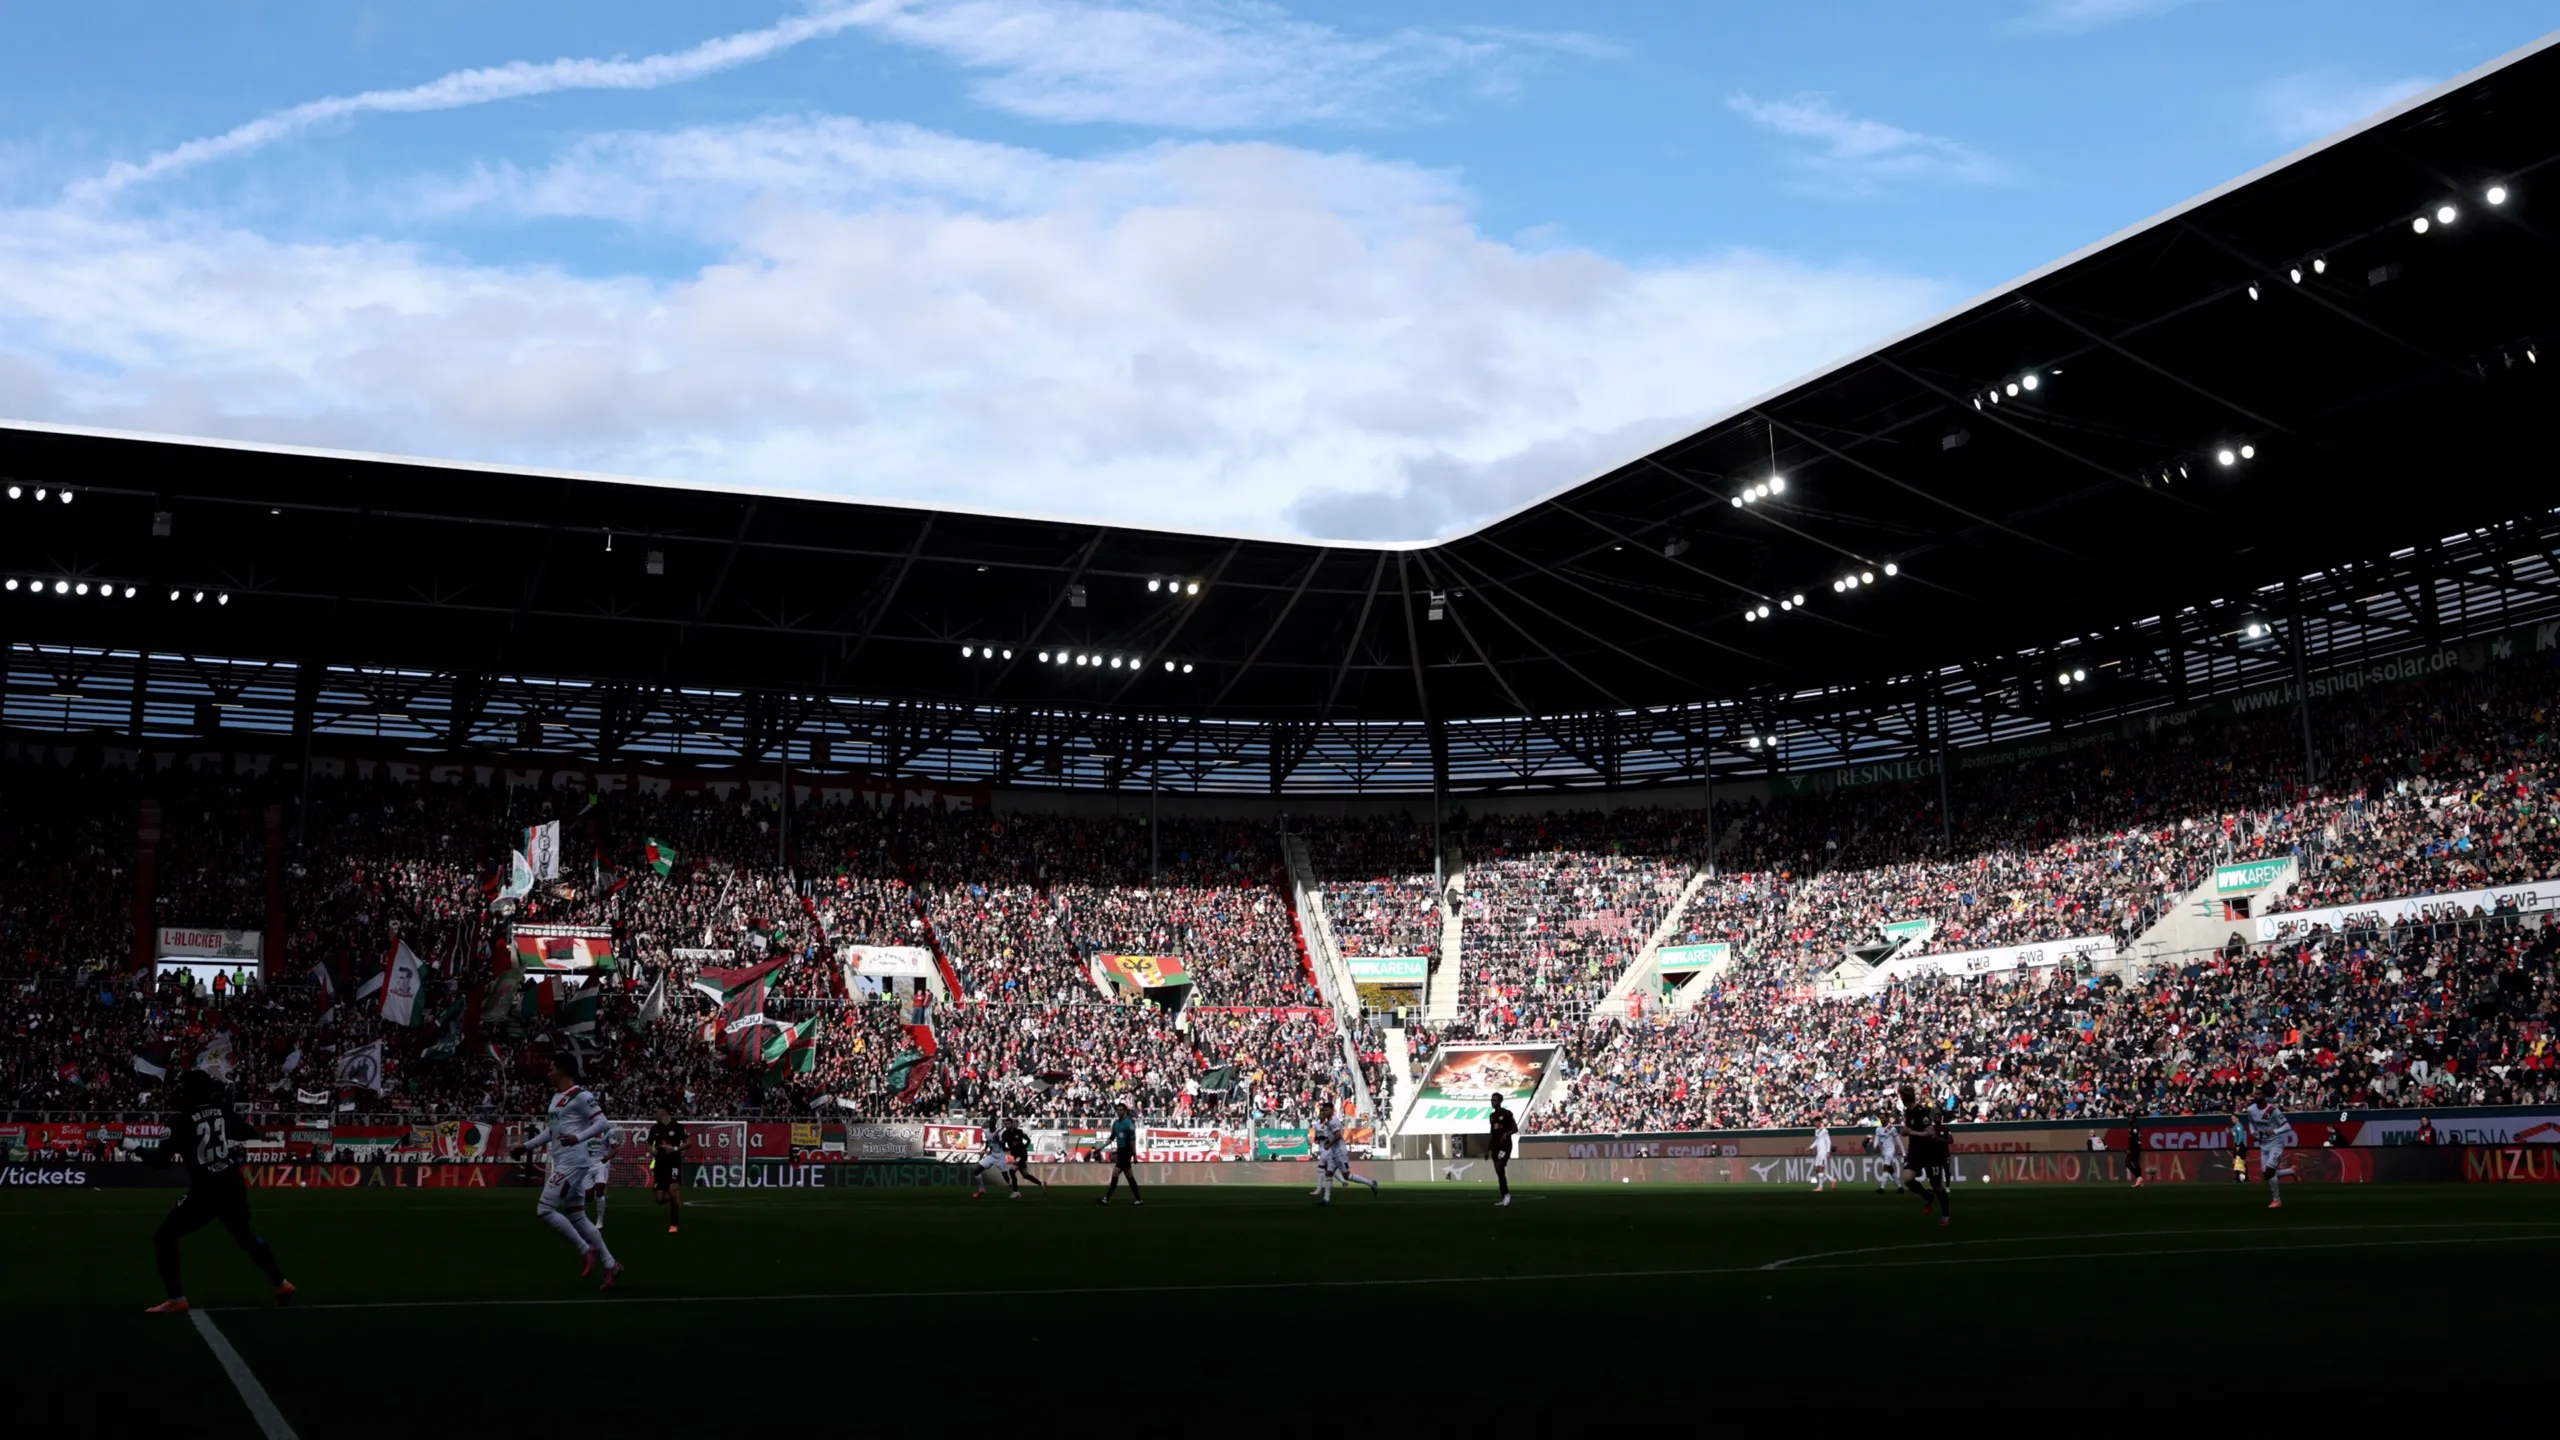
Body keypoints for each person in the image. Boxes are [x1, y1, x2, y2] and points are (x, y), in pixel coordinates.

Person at [144, 1068, 295, 1314]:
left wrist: (132, 1148)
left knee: (164, 1237)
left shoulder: (180, 1120)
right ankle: (281, 1284)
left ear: (190, 1092)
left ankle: (176, 1298)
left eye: (182, 1089)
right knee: (245, 1236)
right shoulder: (222, 1111)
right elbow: (249, 1133)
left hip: (207, 1187)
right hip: (231, 1182)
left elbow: (161, 1162)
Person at [512, 1053, 623, 1288]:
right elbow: (552, 1132)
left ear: (563, 1070)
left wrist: (578, 1137)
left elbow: (603, 1123)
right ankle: (611, 1264)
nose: (548, 1072)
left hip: (574, 1162)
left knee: (544, 1209)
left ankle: (585, 1249)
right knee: (576, 1216)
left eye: (552, 1067)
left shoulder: (581, 1095)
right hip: (564, 1160)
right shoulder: (556, 1098)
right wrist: (526, 1146)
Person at [1896, 1082, 1950, 1227]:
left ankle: (1945, 1214)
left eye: (1900, 1096)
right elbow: (1908, 1129)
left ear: (1904, 1098)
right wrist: (1906, 1131)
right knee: (1908, 1179)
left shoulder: (1921, 1112)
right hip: (1915, 1151)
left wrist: (1911, 1132)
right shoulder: (1907, 1112)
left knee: (1937, 1185)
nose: (1899, 1099)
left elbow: (1931, 1133)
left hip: (1929, 1151)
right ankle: (1927, 1196)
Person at [1313, 1100, 1378, 1204]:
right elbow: (1336, 1135)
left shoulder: (1333, 1121)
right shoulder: (1330, 1121)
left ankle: (1371, 1184)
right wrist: (1329, 1142)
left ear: (1331, 1110)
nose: (1324, 1112)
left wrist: (1329, 1144)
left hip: (1339, 1152)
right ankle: (1326, 1199)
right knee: (1328, 1173)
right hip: (1334, 1152)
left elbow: (1338, 1135)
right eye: (1323, 1110)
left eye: (1326, 1110)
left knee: (1347, 1176)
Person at [2244, 1094, 2299, 1209]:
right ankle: (2290, 1171)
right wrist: (2253, 1132)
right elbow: (2251, 1122)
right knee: (2267, 1175)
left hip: (2276, 1143)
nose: (2256, 1095)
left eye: (2259, 1093)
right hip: (2263, 1144)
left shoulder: (2273, 1110)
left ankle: (2277, 1200)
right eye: (2255, 1093)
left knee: (2270, 1171)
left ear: (2264, 1096)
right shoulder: (2250, 1109)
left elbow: (2288, 1126)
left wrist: (2275, 1131)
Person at [647, 1110, 687, 1233]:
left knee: (672, 1191)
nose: (654, 1114)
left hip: (673, 1163)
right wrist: (653, 1152)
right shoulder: (655, 1128)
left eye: (656, 1112)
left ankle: (674, 1226)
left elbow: (688, 1143)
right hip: (660, 1164)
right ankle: (674, 1195)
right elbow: (648, 1144)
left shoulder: (678, 1127)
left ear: (664, 1112)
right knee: (659, 1199)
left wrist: (674, 1148)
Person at [1096, 1103, 1142, 1206]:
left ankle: (1106, 1199)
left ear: (1125, 1111)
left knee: (1115, 1173)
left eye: (1121, 1110)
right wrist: (1102, 1147)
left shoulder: (1128, 1123)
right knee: (1129, 1174)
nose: (1119, 1112)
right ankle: (1139, 1199)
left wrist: (1134, 1154)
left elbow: (1132, 1140)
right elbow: (1112, 1137)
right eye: (1118, 1110)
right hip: (1121, 1151)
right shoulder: (1116, 1123)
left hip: (1126, 1151)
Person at [1486, 1091, 1520, 1207]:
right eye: (1492, 1100)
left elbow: (1515, 1129)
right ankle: (1504, 1195)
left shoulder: (1506, 1114)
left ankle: (1506, 1195)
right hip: (1495, 1146)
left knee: (1499, 1166)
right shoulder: (1491, 1116)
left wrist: (1506, 1134)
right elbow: (1491, 1133)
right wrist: (1488, 1149)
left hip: (1504, 1146)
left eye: (1495, 1100)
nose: (1492, 1102)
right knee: (1499, 1171)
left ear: (1500, 1101)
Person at [973, 1120, 1014, 1200]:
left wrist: (998, 1139)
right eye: (990, 1123)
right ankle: (981, 1189)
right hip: (992, 1155)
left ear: (994, 1124)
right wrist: (985, 1150)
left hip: (1000, 1156)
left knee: (1005, 1176)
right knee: (977, 1170)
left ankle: (1015, 1191)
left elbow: (1003, 1146)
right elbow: (988, 1141)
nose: (991, 1125)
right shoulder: (987, 1131)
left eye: (992, 1123)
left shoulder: (999, 1132)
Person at [1001, 1119, 1044, 1193]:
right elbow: (1003, 1146)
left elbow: (1028, 1140)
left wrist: (1024, 1147)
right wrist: (1008, 1148)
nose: (1006, 1125)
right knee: (1025, 1175)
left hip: (1022, 1154)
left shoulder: (1019, 1132)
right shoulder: (1005, 1134)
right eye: (1005, 1124)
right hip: (1015, 1155)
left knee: (1012, 1171)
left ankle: (1016, 1192)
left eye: (1008, 1124)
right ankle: (1041, 1184)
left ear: (1012, 1124)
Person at [1873, 1118, 1903, 1194]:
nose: (1881, 1119)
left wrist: (1903, 1152)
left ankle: (1882, 1189)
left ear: (1887, 1119)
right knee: (1890, 1169)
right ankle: (1900, 1187)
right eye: (1881, 1118)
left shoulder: (1892, 1129)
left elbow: (1898, 1140)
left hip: (1891, 1151)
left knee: (1885, 1167)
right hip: (1884, 1152)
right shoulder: (1878, 1129)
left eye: (1883, 1117)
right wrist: (1875, 1146)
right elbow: (1876, 1139)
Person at [1807, 1120, 1833, 1192]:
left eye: (1816, 1122)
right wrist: (1811, 1147)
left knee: (1820, 1168)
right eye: (1814, 1123)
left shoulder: (1824, 1131)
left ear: (1820, 1123)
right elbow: (1817, 1141)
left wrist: (1828, 1151)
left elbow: (1828, 1141)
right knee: (1816, 1169)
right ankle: (1832, 1180)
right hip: (1818, 1153)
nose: (1815, 1124)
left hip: (1823, 1153)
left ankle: (1820, 1187)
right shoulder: (1816, 1130)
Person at [2124, 1120, 2146, 1188]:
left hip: (2134, 1148)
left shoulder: (2134, 1128)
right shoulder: (2135, 1127)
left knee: (2127, 1162)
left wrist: (2129, 1149)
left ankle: (2138, 1177)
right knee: (2136, 1164)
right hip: (2136, 1147)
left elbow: (2133, 1140)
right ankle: (2139, 1181)